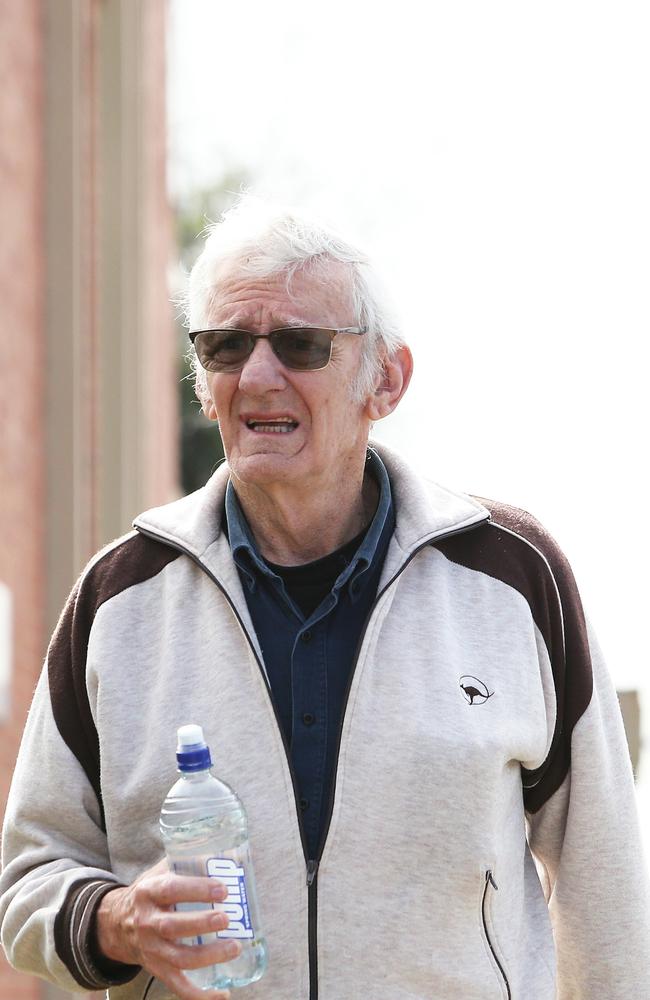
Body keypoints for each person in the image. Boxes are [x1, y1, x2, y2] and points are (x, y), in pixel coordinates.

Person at [1, 197, 649, 1000]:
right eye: (227, 345)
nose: (258, 376)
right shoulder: (118, 598)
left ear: (386, 380)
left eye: (301, 345)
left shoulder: (513, 578)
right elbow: (28, 881)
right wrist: (117, 921)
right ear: (203, 382)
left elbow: (604, 887)